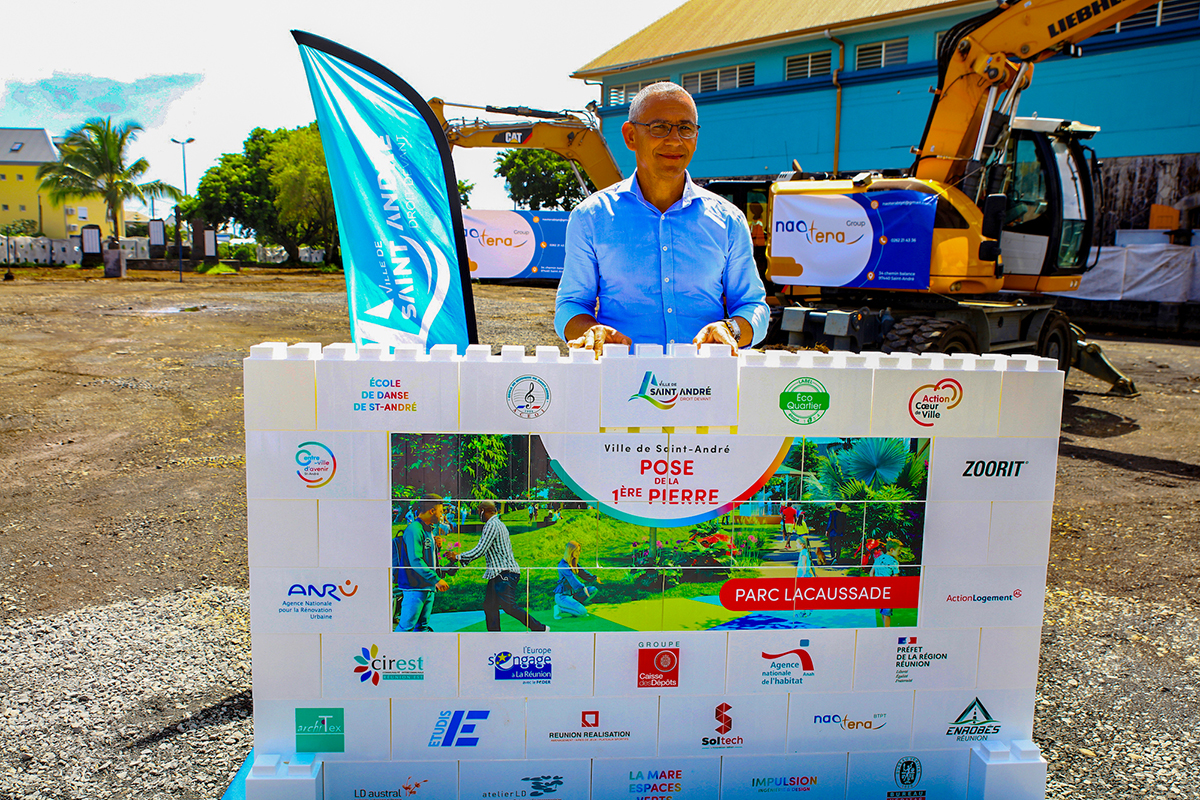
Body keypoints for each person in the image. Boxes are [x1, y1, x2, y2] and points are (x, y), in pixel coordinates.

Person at [555, 82, 769, 355]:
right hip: (622, 384)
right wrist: (588, 331)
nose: (674, 140)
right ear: (630, 136)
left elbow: (753, 304)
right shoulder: (591, 218)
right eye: (659, 128)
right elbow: (571, 304)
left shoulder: (729, 221)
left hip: (705, 386)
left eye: (685, 128)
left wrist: (732, 329)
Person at [455, 501, 548, 632]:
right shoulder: (496, 524)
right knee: (489, 605)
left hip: (504, 573)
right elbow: (484, 550)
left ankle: (539, 628)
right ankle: (495, 636)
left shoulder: (491, 525)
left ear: (483, 510)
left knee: (508, 606)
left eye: (478, 511)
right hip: (498, 573)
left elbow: (480, 550)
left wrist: (458, 557)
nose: (478, 514)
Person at [392, 494, 450, 632]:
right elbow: (416, 560)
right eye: (440, 511)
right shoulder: (415, 529)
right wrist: (436, 579)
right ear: (432, 510)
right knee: (406, 627)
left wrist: (437, 547)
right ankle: (392, 652)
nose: (442, 515)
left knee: (422, 628)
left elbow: (426, 554)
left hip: (427, 587)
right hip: (415, 587)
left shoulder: (427, 529)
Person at [554, 541, 599, 619]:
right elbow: (572, 578)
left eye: (579, 550)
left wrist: (594, 578)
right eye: (577, 551)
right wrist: (582, 587)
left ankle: (576, 607)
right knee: (583, 612)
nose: (579, 552)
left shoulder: (572, 562)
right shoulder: (563, 566)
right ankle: (560, 609)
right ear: (571, 551)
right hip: (562, 596)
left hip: (573, 595)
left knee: (593, 590)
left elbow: (582, 572)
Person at [871, 538, 903, 627]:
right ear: (892, 550)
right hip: (888, 589)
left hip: (879, 589)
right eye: (898, 551)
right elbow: (895, 577)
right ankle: (887, 630)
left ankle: (883, 627)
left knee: (883, 610)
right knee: (887, 612)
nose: (899, 553)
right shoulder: (894, 562)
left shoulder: (878, 558)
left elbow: (871, 573)